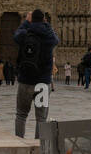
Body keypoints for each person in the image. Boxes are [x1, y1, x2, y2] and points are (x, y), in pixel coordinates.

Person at [13, 9, 59, 139]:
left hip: (26, 81)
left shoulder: (25, 33)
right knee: (41, 118)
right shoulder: (49, 36)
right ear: (44, 19)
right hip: (43, 84)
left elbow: (16, 35)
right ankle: (39, 147)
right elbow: (56, 39)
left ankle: (18, 142)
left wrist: (26, 22)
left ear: (31, 19)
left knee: (21, 115)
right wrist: (45, 23)